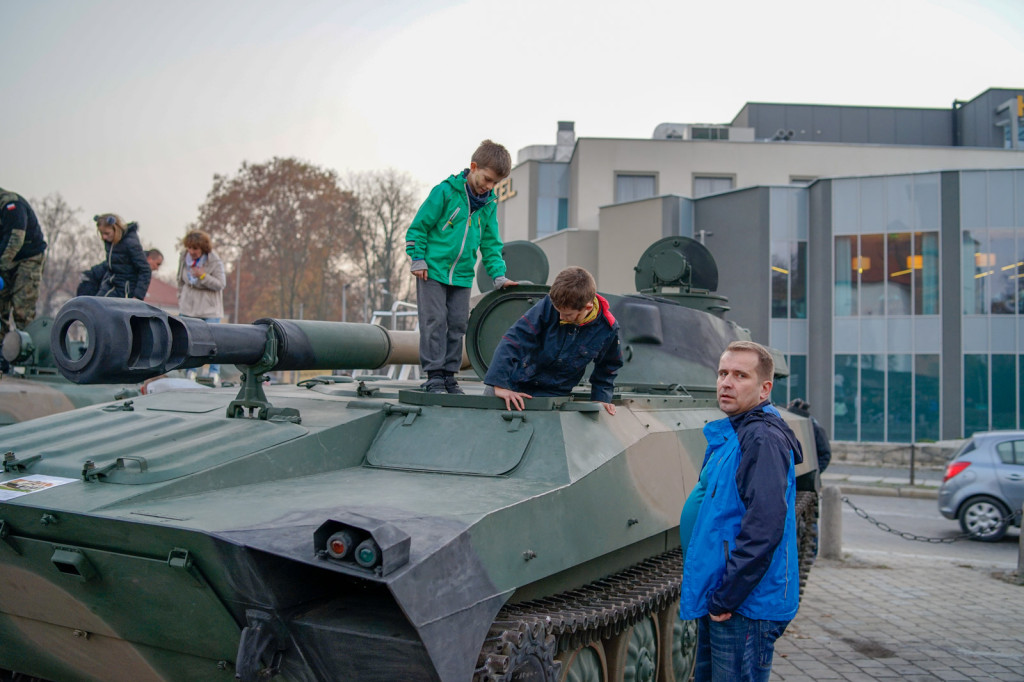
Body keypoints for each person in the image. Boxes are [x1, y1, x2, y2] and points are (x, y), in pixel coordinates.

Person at [679, 340, 803, 681]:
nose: (726, 382)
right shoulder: (738, 431)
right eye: (722, 373)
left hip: (744, 606)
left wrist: (726, 598)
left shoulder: (761, 438)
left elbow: (765, 527)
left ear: (765, 389)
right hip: (727, 596)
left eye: (740, 375)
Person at [406, 139, 517, 395]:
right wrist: (417, 257)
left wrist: (498, 276)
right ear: (474, 167)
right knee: (435, 321)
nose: (489, 187)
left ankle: (449, 376)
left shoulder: (488, 206)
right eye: (487, 179)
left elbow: (491, 243)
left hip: (462, 275)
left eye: (495, 183)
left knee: (458, 324)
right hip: (432, 270)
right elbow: (419, 227)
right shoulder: (445, 192)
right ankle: (434, 375)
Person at [483, 266, 622, 415]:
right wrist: (499, 385)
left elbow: (608, 367)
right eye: (558, 311)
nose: (561, 317)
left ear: (587, 307)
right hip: (514, 384)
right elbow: (515, 339)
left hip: (551, 397)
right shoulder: (548, 306)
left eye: (567, 314)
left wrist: (601, 398)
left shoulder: (606, 329)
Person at [177, 230, 225, 386]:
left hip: (209, 309)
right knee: (188, 341)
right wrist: (181, 298)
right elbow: (180, 280)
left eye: (195, 249)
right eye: (189, 248)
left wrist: (203, 276)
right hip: (188, 308)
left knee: (213, 342)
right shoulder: (184, 258)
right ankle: (190, 371)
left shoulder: (214, 261)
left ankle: (214, 372)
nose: (192, 252)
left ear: (203, 248)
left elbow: (220, 284)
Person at [0, 188, 47, 341]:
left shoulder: (11, 205)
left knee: (23, 309)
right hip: (4, 260)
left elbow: (15, 240)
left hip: (28, 258)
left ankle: (27, 350)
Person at [77, 214, 151, 300]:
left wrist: (138, 296)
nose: (104, 237)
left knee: (102, 305)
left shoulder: (130, 243)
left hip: (125, 289)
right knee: (95, 304)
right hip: (110, 284)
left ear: (116, 229)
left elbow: (145, 269)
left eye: (107, 233)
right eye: (101, 233)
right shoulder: (110, 243)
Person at [787, 398, 831, 473]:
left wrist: (814, 472)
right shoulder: (789, 427)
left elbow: (825, 454)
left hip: (807, 475)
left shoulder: (814, 428)